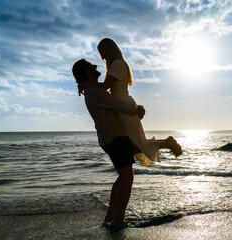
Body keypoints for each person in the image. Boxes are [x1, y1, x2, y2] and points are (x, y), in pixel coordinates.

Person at [72, 58, 182, 229]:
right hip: (114, 138)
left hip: (112, 137)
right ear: (86, 72)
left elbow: (114, 96)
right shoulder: (94, 92)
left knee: (135, 156)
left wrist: (136, 107)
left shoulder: (93, 90)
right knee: (127, 177)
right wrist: (136, 110)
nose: (95, 66)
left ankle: (112, 213)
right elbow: (117, 104)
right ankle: (119, 218)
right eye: (91, 66)